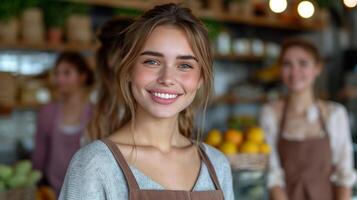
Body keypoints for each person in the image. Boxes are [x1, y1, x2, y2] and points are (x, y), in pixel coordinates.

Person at [60, 3, 234, 200]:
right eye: (152, 61)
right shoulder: (95, 164)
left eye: (184, 65)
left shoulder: (217, 164)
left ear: (200, 78)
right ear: (128, 71)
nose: (167, 78)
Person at [260, 38, 356, 200]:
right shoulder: (270, 113)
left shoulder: (335, 114)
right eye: (287, 64)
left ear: (317, 68)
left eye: (303, 63)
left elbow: (344, 173)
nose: (295, 72)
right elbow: (272, 173)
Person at [32, 51, 94, 195]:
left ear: (82, 77)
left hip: (87, 190)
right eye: (57, 73)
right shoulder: (48, 112)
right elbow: (39, 154)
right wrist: (36, 181)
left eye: (66, 73)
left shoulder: (95, 114)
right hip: (52, 190)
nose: (59, 78)